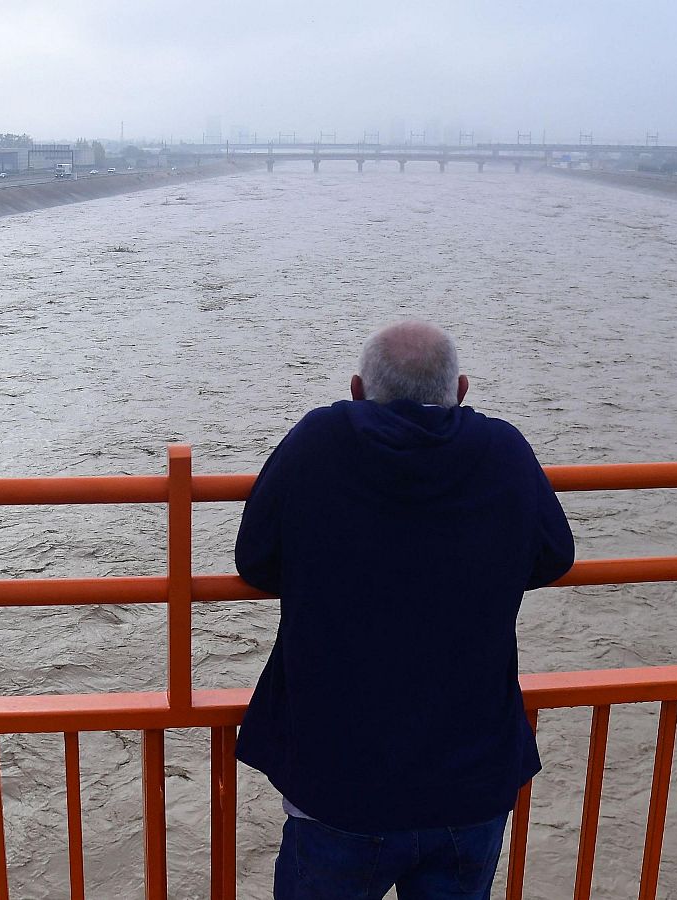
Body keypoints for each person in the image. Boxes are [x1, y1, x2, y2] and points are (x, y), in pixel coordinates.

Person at [234, 320, 575, 900]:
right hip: (471, 781)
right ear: (461, 390)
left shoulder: (318, 440)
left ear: (357, 389)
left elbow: (255, 561)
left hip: (337, 782)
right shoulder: (503, 449)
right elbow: (553, 556)